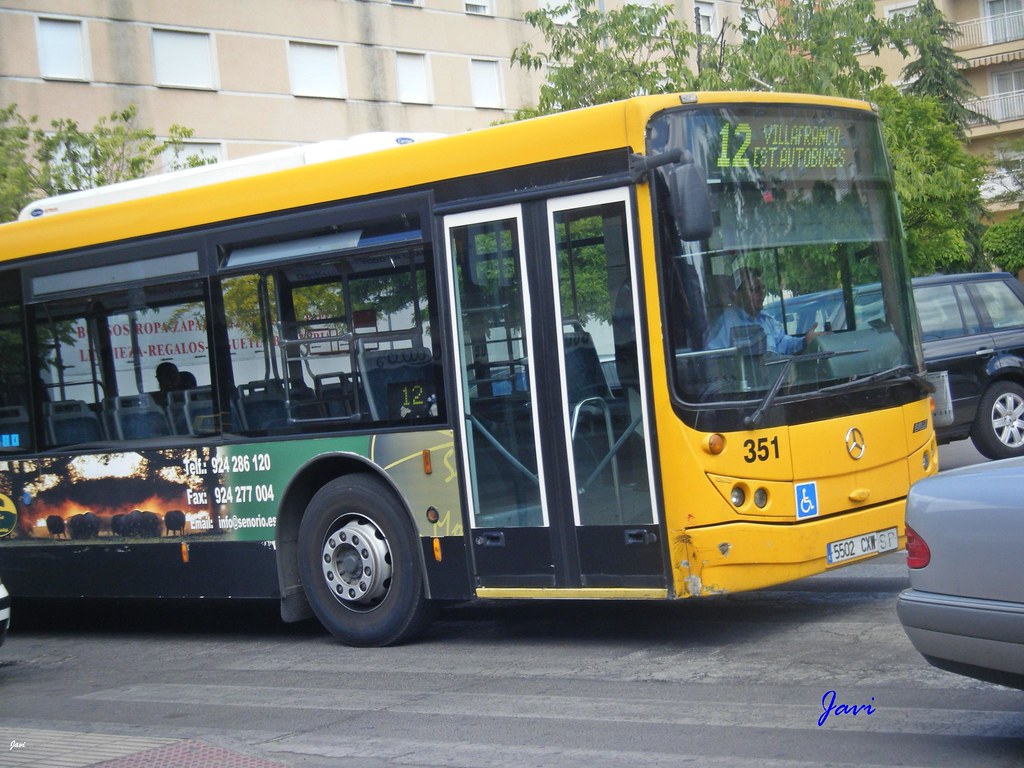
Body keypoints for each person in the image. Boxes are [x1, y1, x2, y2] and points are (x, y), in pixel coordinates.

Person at [705, 266, 817, 354]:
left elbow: (784, 343)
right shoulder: (724, 325)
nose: (762, 293)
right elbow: (713, 361)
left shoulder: (766, 320)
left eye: (763, 288)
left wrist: (804, 341)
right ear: (736, 295)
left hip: (776, 381)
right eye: (755, 289)